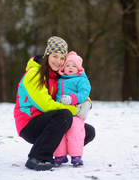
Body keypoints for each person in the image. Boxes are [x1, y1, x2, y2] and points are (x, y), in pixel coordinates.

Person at [14, 36, 95, 171]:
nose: (58, 61)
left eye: (62, 58)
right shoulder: (33, 74)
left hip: (51, 122)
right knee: (64, 115)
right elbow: (46, 105)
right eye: (55, 56)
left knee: (88, 131)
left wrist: (87, 103)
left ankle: (59, 154)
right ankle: (37, 157)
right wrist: (74, 109)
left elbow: (76, 89)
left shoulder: (58, 75)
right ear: (47, 55)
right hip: (29, 124)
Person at [53, 51, 91, 167]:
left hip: (76, 111)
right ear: (63, 68)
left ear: (79, 68)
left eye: (74, 66)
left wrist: (72, 99)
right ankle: (60, 156)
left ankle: (76, 156)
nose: (70, 68)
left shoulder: (81, 80)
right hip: (61, 112)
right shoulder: (59, 79)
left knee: (75, 133)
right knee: (60, 133)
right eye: (68, 65)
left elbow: (84, 93)